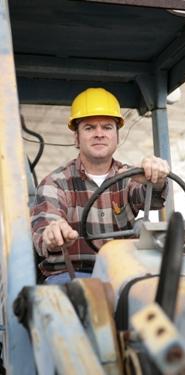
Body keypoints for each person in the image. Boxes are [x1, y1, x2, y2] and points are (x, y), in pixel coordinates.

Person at [31, 87, 170, 284]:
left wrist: (157, 178)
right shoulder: (55, 183)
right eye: (89, 128)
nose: (99, 134)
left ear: (117, 136)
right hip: (72, 275)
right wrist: (53, 233)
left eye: (107, 127)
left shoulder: (131, 177)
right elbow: (45, 228)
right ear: (76, 138)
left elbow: (153, 197)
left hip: (124, 274)